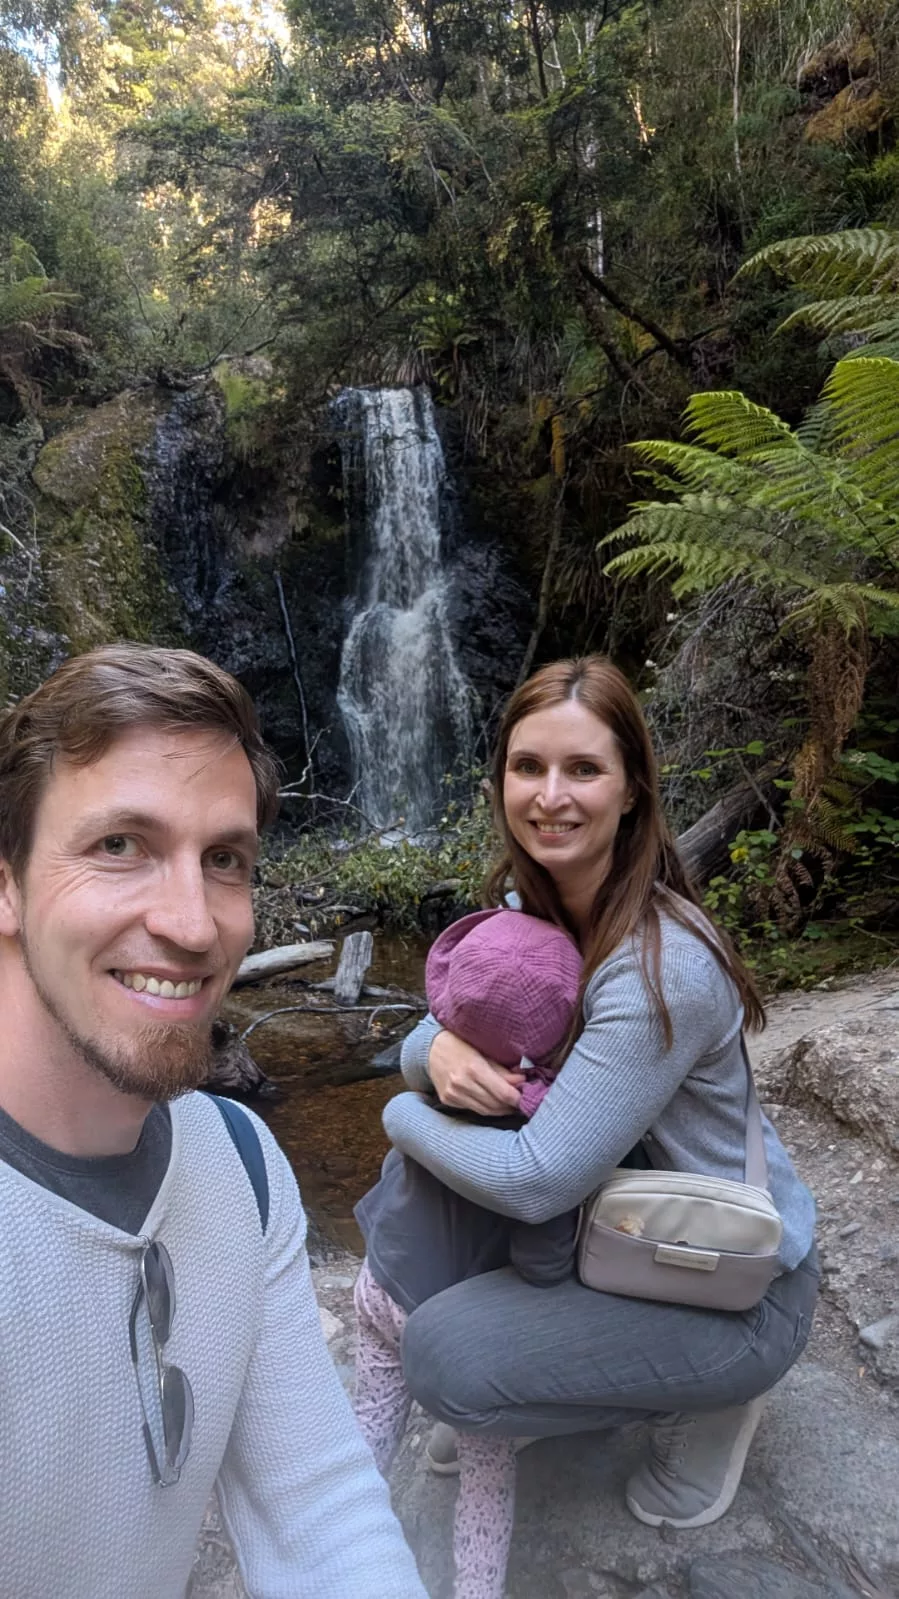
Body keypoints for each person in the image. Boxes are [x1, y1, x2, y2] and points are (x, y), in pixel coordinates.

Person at [354, 655, 819, 1599]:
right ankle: (555, 1380)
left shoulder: (659, 964)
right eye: (527, 767)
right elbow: (445, 1023)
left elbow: (537, 1178)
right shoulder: (535, 909)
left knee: (447, 1359)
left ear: (632, 787)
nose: (550, 796)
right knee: (457, 1308)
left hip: (729, 1283)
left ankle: (713, 1402)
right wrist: (435, 1050)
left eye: (583, 769)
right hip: (617, 1236)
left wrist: (399, 1109)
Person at [0, 644, 427, 1599]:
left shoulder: (240, 1161)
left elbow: (317, 1508)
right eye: (120, 845)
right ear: (8, 883)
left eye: (224, 859)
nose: (193, 925)